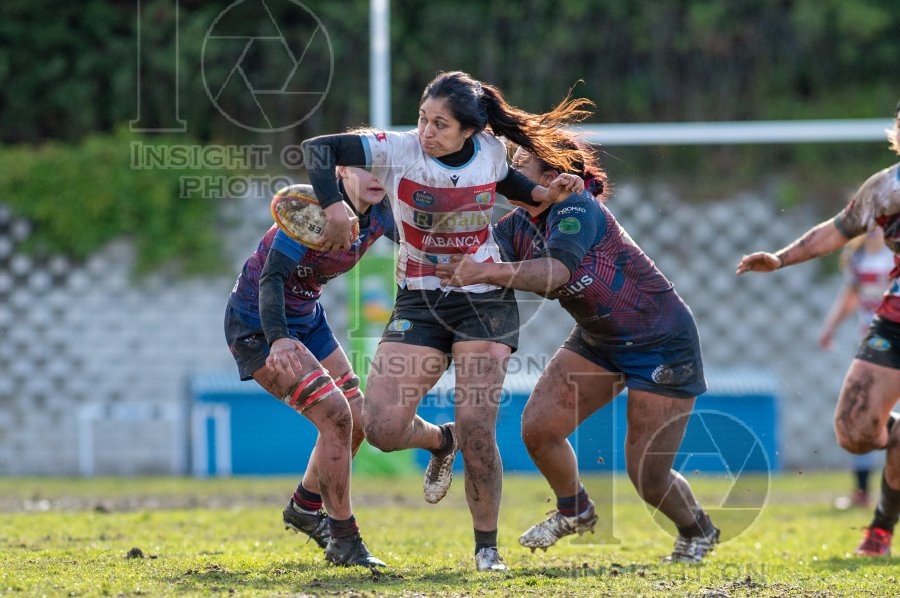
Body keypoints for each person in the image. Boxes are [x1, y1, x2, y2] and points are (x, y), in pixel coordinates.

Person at [299, 70, 585, 571]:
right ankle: (440, 439)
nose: (427, 132)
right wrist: (331, 205)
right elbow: (319, 148)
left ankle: (486, 550)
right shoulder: (396, 149)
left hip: (485, 300)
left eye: (441, 125)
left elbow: (524, 192)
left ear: (471, 132)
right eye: (423, 119)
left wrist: (551, 192)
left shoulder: (493, 154)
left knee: (479, 424)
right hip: (419, 301)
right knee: (382, 427)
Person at [436, 137, 720, 563]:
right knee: (539, 428)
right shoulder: (516, 225)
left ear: (550, 178)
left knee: (646, 474)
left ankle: (698, 530)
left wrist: (486, 271)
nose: (506, 176)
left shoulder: (576, 207)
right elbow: (468, 254)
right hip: (599, 341)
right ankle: (576, 510)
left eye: (519, 167)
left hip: (661, 341)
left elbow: (555, 271)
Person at [736, 100, 900, 557]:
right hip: (895, 318)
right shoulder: (886, 188)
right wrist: (780, 258)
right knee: (855, 430)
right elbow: (836, 230)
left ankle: (880, 530)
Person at [224, 166, 395, 568]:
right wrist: (280, 337)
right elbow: (271, 279)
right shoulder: (311, 208)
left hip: (308, 319)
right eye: (364, 167)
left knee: (358, 417)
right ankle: (344, 539)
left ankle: (304, 507)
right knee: (335, 416)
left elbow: (427, 239)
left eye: (383, 165)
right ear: (341, 172)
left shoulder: (383, 211)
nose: (376, 175)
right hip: (260, 324)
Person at [819, 230, 894, 510]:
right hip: (871, 348)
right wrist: (830, 328)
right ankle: (862, 492)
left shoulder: (894, 253)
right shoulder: (857, 257)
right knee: (861, 413)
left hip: (894, 346)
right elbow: (850, 296)